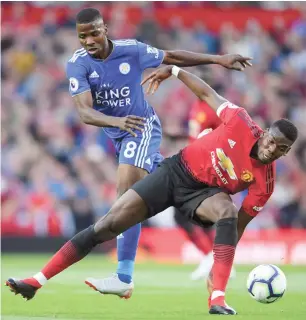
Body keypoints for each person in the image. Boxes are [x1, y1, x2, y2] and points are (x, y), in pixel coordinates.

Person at [6, 64, 298, 315]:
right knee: (107, 225)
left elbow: (238, 226)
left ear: (285, 154)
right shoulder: (241, 122)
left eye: (280, 149)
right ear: (265, 132)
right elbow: (207, 93)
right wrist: (174, 70)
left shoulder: (265, 183)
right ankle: (36, 281)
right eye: (271, 141)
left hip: (204, 195)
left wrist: (219, 261)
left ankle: (217, 297)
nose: (272, 149)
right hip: (175, 171)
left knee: (227, 211)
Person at [41, 7, 251, 298]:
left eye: (93, 33)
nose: (88, 40)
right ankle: (214, 238)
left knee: (127, 196)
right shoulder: (77, 64)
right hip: (120, 133)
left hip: (141, 128)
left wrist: (218, 59)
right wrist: (117, 122)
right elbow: (84, 112)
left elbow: (172, 56)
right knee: (173, 186)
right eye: (82, 36)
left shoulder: (131, 50)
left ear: (105, 30)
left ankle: (124, 276)